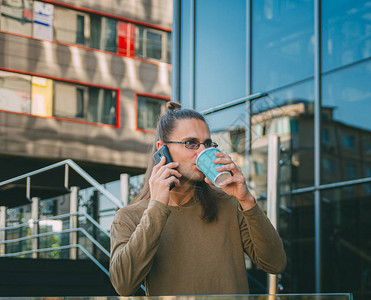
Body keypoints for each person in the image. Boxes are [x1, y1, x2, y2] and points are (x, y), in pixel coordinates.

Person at [109, 102, 286, 296]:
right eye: (191, 143)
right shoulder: (129, 217)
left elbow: (275, 263)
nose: (201, 151)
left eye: (207, 144)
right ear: (162, 149)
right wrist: (157, 206)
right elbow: (124, 285)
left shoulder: (230, 203)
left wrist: (247, 200)